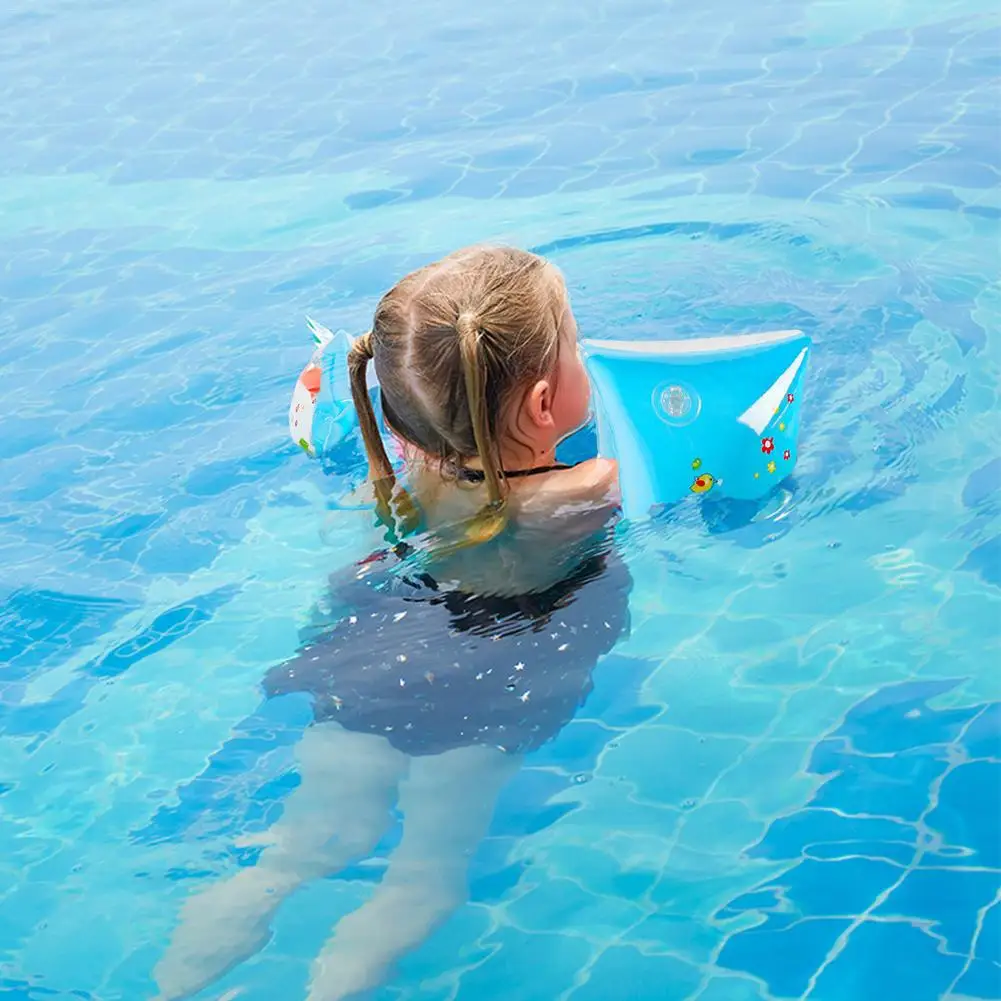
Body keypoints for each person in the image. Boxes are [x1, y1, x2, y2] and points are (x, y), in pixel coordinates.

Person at [154, 246, 632, 1001]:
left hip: (371, 648)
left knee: (289, 853)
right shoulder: (593, 484)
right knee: (423, 879)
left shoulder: (405, 472)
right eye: (574, 343)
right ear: (544, 405)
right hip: (489, 679)